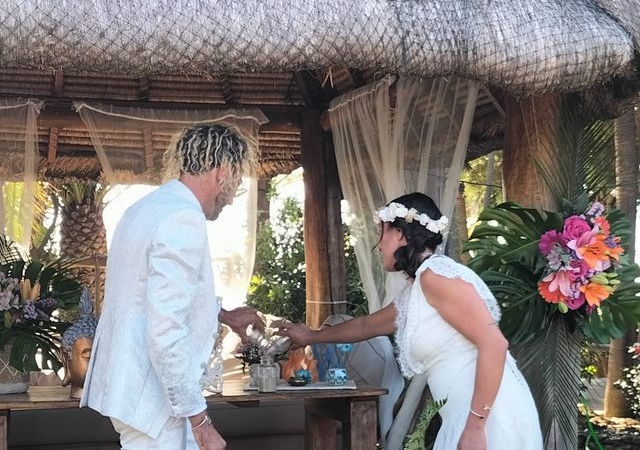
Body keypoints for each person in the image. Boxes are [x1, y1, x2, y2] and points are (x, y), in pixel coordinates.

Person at [278, 193, 543, 450]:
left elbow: (494, 344)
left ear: (399, 233)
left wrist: (475, 427)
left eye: (381, 232)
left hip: (487, 420)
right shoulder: (420, 287)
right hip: (464, 417)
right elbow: (365, 326)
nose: (379, 245)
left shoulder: (435, 277)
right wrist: (310, 336)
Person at [81, 124, 265, 450]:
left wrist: (222, 315)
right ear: (222, 171)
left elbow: (147, 297)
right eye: (236, 180)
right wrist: (200, 421)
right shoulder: (183, 218)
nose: (233, 197)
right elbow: (165, 329)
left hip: (133, 391)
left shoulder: (145, 209)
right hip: (154, 401)